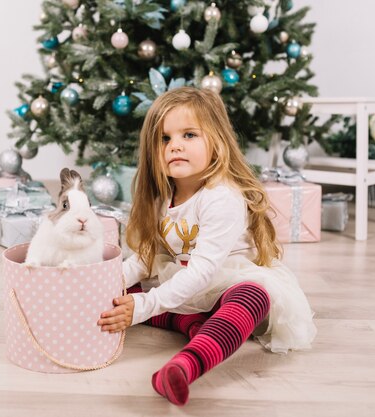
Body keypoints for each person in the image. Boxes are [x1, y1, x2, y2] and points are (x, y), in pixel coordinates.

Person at [97, 87, 317, 406]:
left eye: (189, 135)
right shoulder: (162, 197)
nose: (175, 146)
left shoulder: (221, 197)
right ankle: (194, 324)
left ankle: (185, 366)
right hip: (187, 283)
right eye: (165, 139)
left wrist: (144, 307)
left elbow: (202, 273)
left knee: (253, 296)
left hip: (229, 284)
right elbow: (144, 260)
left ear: (216, 140)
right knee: (128, 291)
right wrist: (104, 284)